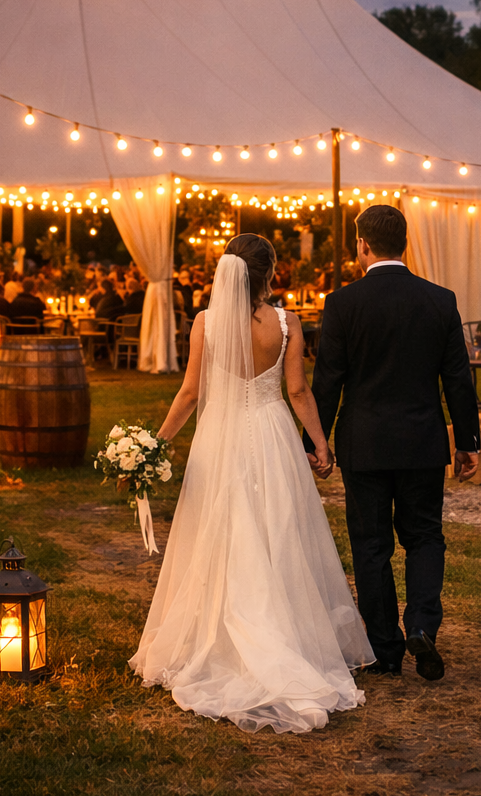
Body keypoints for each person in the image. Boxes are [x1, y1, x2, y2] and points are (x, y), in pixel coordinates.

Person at [130, 234, 372, 733]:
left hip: (218, 440)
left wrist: (156, 443)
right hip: (271, 434)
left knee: (217, 531)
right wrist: (320, 444)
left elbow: (191, 391)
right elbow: (298, 390)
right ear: (270, 274)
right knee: (278, 531)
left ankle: (220, 633)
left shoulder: (205, 323)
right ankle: (285, 634)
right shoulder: (286, 324)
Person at [306, 204, 480, 681]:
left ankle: (385, 648)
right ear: (404, 243)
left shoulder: (342, 303)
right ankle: (422, 624)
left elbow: (328, 381)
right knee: (424, 536)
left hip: (364, 444)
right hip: (423, 442)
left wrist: (316, 441)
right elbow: (458, 379)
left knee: (371, 544)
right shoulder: (440, 300)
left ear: (362, 244)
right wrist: (467, 440)